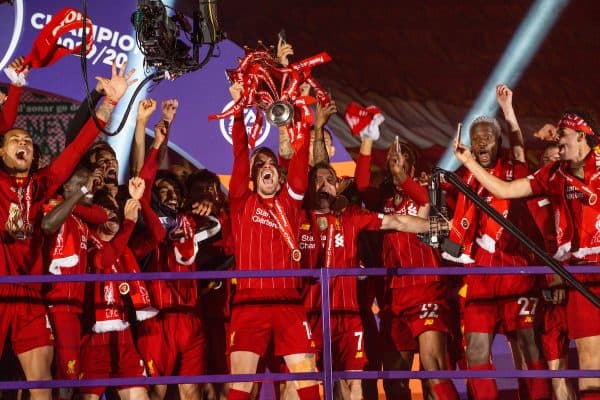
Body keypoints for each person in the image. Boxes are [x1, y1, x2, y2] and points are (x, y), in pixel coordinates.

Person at [0, 60, 135, 400]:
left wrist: (110, 103)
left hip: (29, 298)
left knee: (41, 384)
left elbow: (76, 149)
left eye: (29, 142)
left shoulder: (42, 185)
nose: (25, 145)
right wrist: (15, 87)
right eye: (16, 140)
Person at [454, 110, 600, 400]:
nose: (558, 143)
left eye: (563, 136)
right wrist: (468, 162)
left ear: (582, 137)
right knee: (590, 361)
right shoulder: (552, 174)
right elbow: (505, 189)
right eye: (557, 137)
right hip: (581, 272)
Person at [299, 160, 438, 400]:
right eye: (317, 180)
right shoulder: (297, 218)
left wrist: (435, 226)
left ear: (338, 188)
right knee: (307, 384)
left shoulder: (351, 216)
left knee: (356, 386)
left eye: (330, 180)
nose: (324, 185)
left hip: (349, 316)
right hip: (310, 316)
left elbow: (398, 221)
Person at [446, 85, 549, 400]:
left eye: (487, 138)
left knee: (528, 344)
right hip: (482, 276)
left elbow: (519, 144)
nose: (481, 143)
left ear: (497, 141)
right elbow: (456, 229)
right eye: (476, 139)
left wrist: (507, 110)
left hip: (516, 271)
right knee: (475, 350)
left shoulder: (512, 169)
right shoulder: (465, 181)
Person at [226, 82, 320, 400]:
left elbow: (299, 165)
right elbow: (241, 153)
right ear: (252, 178)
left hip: (288, 304)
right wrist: (238, 108)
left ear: (279, 176)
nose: (267, 166)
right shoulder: (241, 203)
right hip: (249, 303)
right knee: (240, 383)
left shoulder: (291, 202)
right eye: (260, 165)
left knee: (308, 374)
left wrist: (303, 119)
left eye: (271, 164)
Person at [355, 135, 459, 400]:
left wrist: (402, 175)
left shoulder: (431, 195)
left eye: (402, 161)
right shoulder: (382, 199)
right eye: (392, 160)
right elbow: (362, 184)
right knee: (394, 382)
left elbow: (424, 199)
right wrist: (367, 142)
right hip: (393, 296)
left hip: (427, 288)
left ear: (413, 168)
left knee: (433, 372)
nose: (396, 164)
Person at [80, 177, 163, 400]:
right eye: (105, 207)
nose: (113, 211)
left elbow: (158, 235)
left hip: (125, 338)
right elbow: (104, 260)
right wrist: (129, 223)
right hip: (93, 339)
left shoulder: (126, 247)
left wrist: (140, 202)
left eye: (115, 206)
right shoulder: (85, 241)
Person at [41, 166, 107, 400]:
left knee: (69, 376)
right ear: (67, 187)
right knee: (62, 377)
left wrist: (79, 195)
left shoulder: (79, 219)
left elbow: (103, 216)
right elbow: (48, 225)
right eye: (83, 183)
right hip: (59, 304)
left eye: (92, 184)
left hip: (77, 308)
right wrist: (79, 192)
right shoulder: (53, 208)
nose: (91, 189)